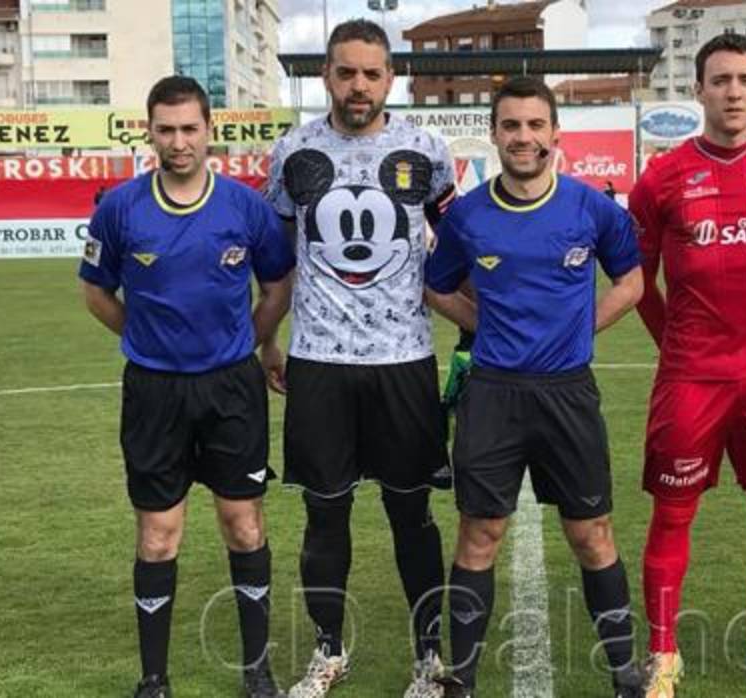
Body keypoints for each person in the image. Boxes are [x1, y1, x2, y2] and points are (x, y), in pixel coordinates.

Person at [425, 76, 646, 698]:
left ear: (555, 133)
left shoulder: (592, 209)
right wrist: (483, 323)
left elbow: (632, 283)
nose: (523, 137)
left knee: (591, 531)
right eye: (511, 126)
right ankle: (460, 678)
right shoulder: (467, 216)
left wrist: (582, 326)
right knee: (480, 532)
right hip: (492, 393)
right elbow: (437, 285)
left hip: (567, 394)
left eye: (534, 126)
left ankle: (624, 671)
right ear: (495, 134)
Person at [79, 76, 295, 698]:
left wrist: (254, 345)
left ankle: (257, 671)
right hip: (154, 390)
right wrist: (145, 336)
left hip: (231, 388)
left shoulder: (246, 208)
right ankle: (154, 680)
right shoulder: (120, 208)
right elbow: (96, 291)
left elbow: (277, 287)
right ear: (149, 131)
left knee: (243, 525)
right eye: (166, 129)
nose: (179, 142)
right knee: (157, 532)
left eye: (189, 129)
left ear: (210, 131)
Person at [261, 19, 457, 698]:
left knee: (412, 514)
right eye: (346, 72)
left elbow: (458, 250)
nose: (358, 86)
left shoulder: (427, 150)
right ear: (327, 76)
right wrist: (266, 340)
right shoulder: (293, 152)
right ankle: (327, 651)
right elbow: (278, 263)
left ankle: (429, 658)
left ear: (390, 78)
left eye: (371, 74)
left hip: (404, 361)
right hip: (319, 362)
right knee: (325, 514)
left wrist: (480, 328)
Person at [628, 33, 746, 698]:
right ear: (699, 90)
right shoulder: (662, 178)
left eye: (744, 78)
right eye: (720, 80)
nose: (732, 91)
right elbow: (639, 283)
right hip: (691, 378)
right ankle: (662, 656)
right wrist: (674, 343)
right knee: (672, 515)